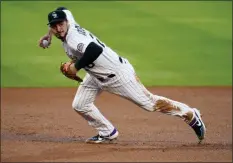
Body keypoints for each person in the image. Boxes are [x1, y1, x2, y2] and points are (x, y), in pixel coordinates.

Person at [39, 7, 206, 144]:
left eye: (60, 24)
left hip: (117, 74)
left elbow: (94, 50)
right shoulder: (68, 23)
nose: (58, 28)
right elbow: (63, 10)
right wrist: (49, 35)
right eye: (54, 26)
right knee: (80, 104)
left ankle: (189, 114)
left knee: (149, 103)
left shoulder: (74, 38)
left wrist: (75, 67)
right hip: (96, 75)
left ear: (66, 23)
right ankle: (107, 133)